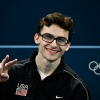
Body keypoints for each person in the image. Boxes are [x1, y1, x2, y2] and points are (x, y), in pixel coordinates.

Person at [0, 12, 90, 100]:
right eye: (48, 37)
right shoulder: (12, 74)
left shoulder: (77, 88)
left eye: (61, 39)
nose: (54, 44)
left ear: (67, 45)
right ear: (37, 38)